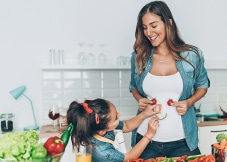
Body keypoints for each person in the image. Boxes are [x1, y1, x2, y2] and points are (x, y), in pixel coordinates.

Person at [129, 0, 210, 159]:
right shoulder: (139, 57)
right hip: (146, 140)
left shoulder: (192, 55)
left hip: (183, 142)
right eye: (144, 27)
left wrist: (188, 102)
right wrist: (140, 99)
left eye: (154, 25)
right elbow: (133, 87)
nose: (148, 32)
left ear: (168, 23)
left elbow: (203, 86)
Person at [67, 98, 160, 162]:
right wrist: (149, 134)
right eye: (116, 117)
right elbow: (129, 157)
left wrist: (144, 114)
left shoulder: (99, 125)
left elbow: (126, 126)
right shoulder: (102, 152)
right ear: (102, 131)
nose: (119, 115)